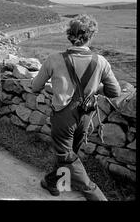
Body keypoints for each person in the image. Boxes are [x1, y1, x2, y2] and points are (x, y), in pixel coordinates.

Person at [31, 14, 121, 201]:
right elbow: (114, 92)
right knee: (69, 155)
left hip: (63, 116)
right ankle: (51, 181)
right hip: (85, 117)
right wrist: (96, 87)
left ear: (69, 35)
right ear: (90, 36)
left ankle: (96, 195)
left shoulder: (54, 59)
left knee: (68, 156)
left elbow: (35, 87)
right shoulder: (101, 61)